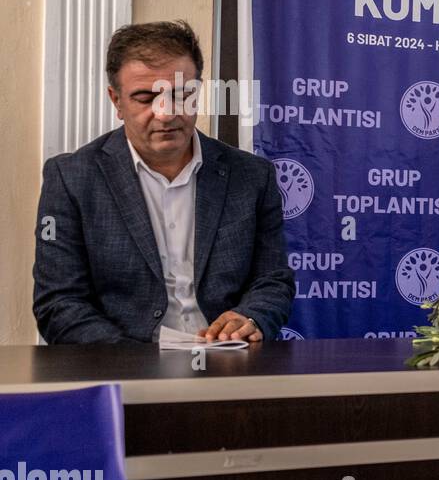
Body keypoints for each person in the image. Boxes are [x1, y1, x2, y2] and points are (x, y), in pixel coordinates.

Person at [33, 20, 294, 345]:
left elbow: (273, 279)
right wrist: (141, 362)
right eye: (145, 98)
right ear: (116, 101)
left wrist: (252, 318)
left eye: (181, 94)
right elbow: (59, 305)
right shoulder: (71, 179)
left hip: (229, 365)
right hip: (125, 370)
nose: (166, 113)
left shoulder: (253, 176)